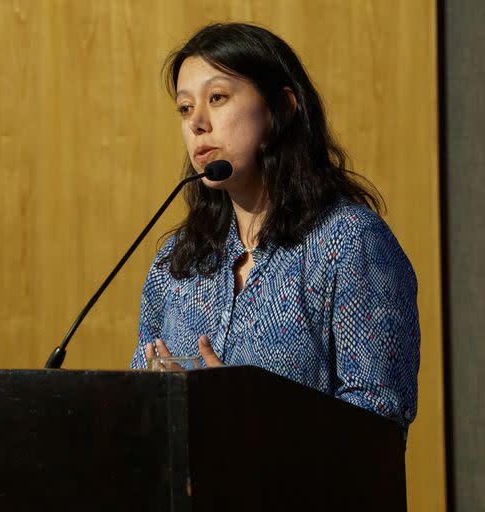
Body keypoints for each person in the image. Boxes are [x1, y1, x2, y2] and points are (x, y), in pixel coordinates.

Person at [129, 23, 420, 433]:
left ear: (282, 108)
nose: (197, 123)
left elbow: (377, 426)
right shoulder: (175, 265)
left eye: (217, 98)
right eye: (184, 108)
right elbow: (140, 418)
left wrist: (248, 416)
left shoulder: (349, 241)